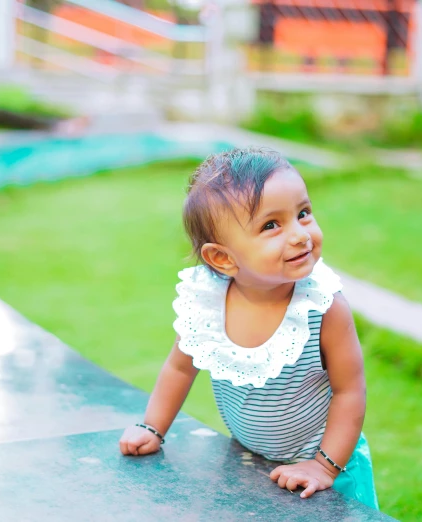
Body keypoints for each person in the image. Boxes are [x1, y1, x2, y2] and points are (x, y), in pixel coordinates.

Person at [118, 148, 379, 509]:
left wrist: (324, 467)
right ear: (223, 259)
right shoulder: (208, 304)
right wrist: (152, 428)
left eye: (303, 214)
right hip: (252, 462)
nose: (300, 235)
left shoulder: (322, 308)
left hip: (329, 466)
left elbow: (350, 391)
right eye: (271, 225)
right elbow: (179, 367)